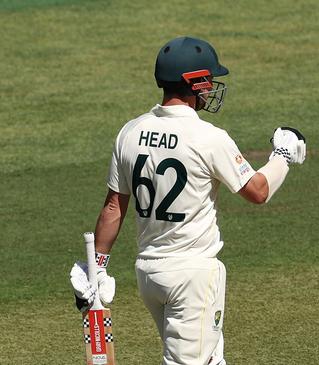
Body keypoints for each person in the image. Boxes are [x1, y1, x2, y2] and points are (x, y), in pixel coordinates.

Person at [69, 36, 306, 365]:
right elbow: (258, 191)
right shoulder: (209, 138)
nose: (211, 88)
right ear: (194, 82)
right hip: (192, 277)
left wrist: (96, 268)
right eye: (208, 80)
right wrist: (283, 156)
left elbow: (113, 206)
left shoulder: (130, 132)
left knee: (210, 359)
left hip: (149, 276)